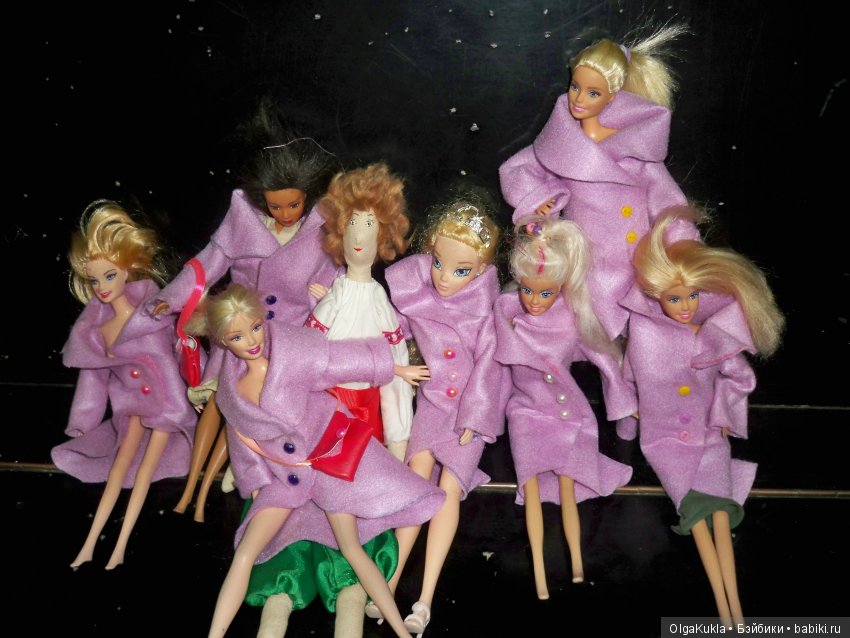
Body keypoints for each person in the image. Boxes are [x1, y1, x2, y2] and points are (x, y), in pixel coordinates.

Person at [197, 283, 445, 638]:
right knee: (245, 554)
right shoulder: (230, 393)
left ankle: (400, 632)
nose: (252, 341)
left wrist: (395, 369)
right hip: (285, 482)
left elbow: (336, 361)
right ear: (223, 342)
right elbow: (243, 449)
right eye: (238, 336)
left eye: (255, 327)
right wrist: (256, 488)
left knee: (352, 549)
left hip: (328, 463)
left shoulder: (291, 354)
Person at [249, 162, 427, 637]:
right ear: (338, 233)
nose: (359, 238)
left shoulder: (380, 303)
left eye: (369, 227)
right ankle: (290, 582)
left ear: (383, 235)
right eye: (352, 226)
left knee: (354, 505)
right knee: (308, 498)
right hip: (324, 410)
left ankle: (347, 591)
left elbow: (394, 365)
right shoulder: (333, 298)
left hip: (364, 419)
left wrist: (398, 435)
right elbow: (308, 354)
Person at [153, 96, 343, 522]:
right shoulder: (242, 220)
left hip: (288, 339)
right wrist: (172, 297)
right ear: (261, 199)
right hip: (241, 331)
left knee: (260, 412)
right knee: (220, 405)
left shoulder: (322, 227)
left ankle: (248, 473)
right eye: (276, 206)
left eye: (294, 204)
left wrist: (324, 303)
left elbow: (336, 280)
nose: (286, 213)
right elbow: (208, 262)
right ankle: (195, 485)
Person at [620, 206, 784, 626]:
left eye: (692, 296)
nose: (685, 306)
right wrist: (630, 413)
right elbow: (627, 377)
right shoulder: (644, 334)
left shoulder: (715, 334)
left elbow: (740, 377)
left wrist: (724, 412)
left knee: (721, 516)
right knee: (695, 517)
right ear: (656, 296)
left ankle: (736, 611)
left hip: (711, 437)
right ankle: (725, 609)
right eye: (674, 298)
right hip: (665, 443)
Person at [499, 23, 699, 341]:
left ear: (611, 97)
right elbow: (518, 169)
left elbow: (667, 200)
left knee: (642, 332)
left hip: (635, 257)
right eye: (575, 87)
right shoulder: (562, 144)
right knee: (589, 329)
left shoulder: (635, 144)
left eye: (593, 93)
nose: (579, 99)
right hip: (587, 260)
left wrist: (681, 244)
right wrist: (541, 198)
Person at [381, 193, 509, 635]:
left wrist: (476, 415)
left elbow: (490, 366)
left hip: (468, 413)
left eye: (460, 270)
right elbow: (390, 329)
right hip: (433, 404)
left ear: (482, 270)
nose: (444, 277)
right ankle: (389, 580)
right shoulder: (415, 293)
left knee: (449, 489)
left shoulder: (487, 311)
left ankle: (425, 598)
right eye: (438, 263)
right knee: (415, 480)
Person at [494, 215, 635, 599]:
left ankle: (576, 562)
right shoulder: (507, 318)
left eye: (545, 293)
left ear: (560, 289)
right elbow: (493, 374)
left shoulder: (571, 320)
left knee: (569, 489)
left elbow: (605, 358)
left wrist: (625, 402)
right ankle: (539, 572)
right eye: (528, 290)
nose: (534, 300)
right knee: (531, 489)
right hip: (525, 414)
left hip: (566, 414)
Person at [52, 199, 196, 570]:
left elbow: (180, 354)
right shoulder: (96, 329)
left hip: (166, 404)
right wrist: (82, 421)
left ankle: (118, 547)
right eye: (94, 280)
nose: (101, 287)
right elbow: (92, 379)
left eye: (109, 276)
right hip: (130, 407)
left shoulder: (154, 312)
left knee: (144, 474)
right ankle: (88, 545)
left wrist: (192, 393)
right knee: (118, 469)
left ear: (127, 269)